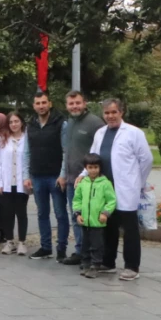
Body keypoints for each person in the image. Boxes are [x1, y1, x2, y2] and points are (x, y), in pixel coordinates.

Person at [78, 98, 152, 281]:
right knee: (108, 226)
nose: (110, 116)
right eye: (107, 113)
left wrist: (137, 181)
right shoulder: (101, 133)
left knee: (129, 229)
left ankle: (131, 266)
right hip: (105, 187)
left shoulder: (134, 133)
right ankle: (108, 262)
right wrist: (83, 174)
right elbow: (92, 158)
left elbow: (146, 160)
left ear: (122, 112)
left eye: (114, 112)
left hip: (126, 188)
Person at [60, 91, 103, 266]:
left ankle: (90, 254)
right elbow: (67, 151)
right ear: (66, 106)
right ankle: (79, 251)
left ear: (85, 103)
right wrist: (63, 175)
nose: (74, 106)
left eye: (77, 103)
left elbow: (100, 153)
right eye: (71, 104)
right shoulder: (70, 122)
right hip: (71, 180)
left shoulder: (95, 123)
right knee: (76, 216)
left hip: (88, 181)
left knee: (89, 218)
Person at [24, 90, 68, 260]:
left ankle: (62, 248)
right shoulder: (31, 125)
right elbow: (27, 152)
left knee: (60, 213)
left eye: (44, 102)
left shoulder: (60, 123)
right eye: (38, 103)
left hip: (55, 176)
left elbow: (66, 150)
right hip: (37, 176)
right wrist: (27, 175)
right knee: (42, 213)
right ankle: (45, 247)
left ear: (49, 103)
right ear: (34, 106)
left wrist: (63, 174)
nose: (41, 106)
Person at [72, 152, 118, 279]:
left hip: (98, 221)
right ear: (86, 168)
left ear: (100, 168)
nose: (93, 170)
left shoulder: (105, 183)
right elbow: (77, 200)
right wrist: (77, 213)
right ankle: (86, 264)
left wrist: (105, 213)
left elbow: (111, 200)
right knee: (85, 244)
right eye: (90, 168)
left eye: (96, 167)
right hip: (85, 220)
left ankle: (95, 265)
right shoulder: (83, 183)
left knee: (97, 244)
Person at [0, 112, 29, 255]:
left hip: (21, 182)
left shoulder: (27, 139)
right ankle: (9, 241)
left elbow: (29, 160)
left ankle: (22, 242)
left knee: (21, 213)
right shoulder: (4, 140)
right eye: (11, 122)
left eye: (16, 121)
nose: (14, 124)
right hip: (7, 182)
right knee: (7, 213)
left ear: (21, 122)